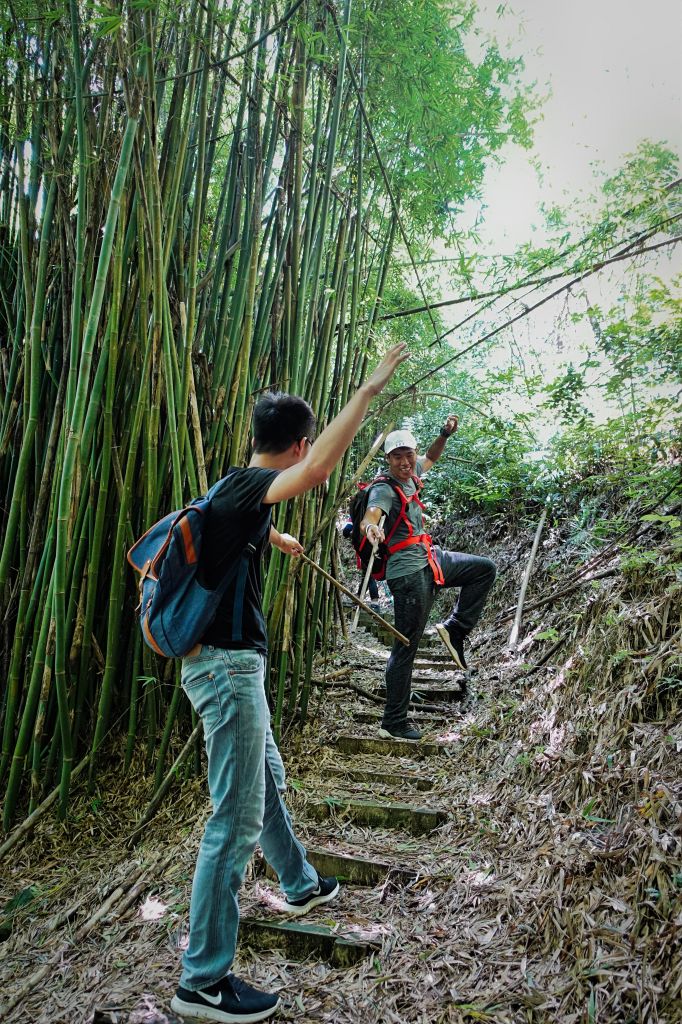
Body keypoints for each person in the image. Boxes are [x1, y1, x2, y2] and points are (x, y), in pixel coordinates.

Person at [170, 342, 409, 1024]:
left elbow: (218, 517)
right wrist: (365, 392)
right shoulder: (250, 488)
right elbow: (319, 469)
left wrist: (273, 540)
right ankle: (203, 980)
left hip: (230, 667)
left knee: (266, 775)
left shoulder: (232, 489)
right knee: (234, 817)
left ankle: (299, 884)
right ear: (298, 441)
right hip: (225, 669)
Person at [359, 418, 496, 741]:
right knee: (406, 645)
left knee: (483, 568)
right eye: (397, 457)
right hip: (407, 573)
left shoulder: (413, 474)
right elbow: (372, 513)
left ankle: (455, 628)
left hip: (429, 558)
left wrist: (444, 434)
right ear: (388, 459)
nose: (405, 462)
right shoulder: (384, 487)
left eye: (409, 455)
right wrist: (370, 527)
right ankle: (393, 721)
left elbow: (431, 458)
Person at [341, 518, 380, 608]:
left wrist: (354, 534)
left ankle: (375, 600)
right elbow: (346, 532)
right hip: (375, 548)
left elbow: (346, 531)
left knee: (369, 574)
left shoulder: (356, 515)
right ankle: (359, 596)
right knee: (367, 574)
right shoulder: (376, 513)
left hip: (365, 549)